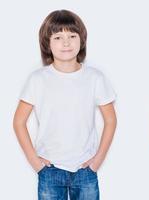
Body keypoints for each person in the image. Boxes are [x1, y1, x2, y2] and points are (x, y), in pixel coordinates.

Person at [13, 9, 117, 200]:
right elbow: (19, 122)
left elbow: (110, 120)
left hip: (85, 169)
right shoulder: (37, 79)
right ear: (47, 43)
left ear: (82, 39)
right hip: (50, 170)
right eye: (58, 37)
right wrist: (35, 162)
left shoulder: (95, 78)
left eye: (72, 35)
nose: (66, 42)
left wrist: (98, 160)